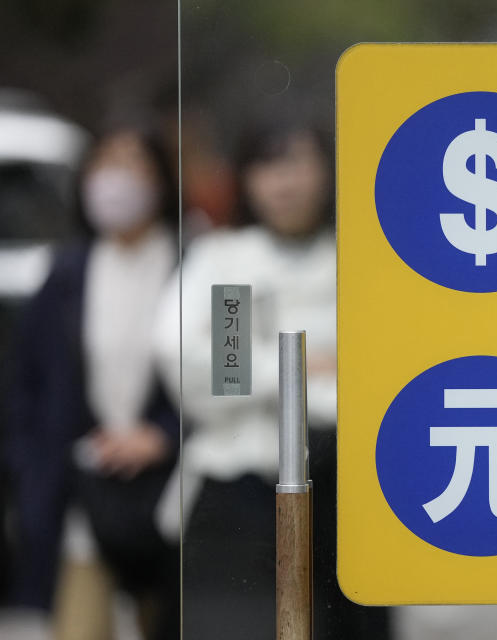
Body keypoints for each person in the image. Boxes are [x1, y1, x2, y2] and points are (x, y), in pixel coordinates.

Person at [154, 114, 390, 640]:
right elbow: (204, 363)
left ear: (327, 170)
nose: (284, 183)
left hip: (350, 484)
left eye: (297, 164)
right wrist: (301, 367)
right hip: (246, 485)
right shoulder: (230, 260)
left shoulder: (361, 254)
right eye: (267, 166)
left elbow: (385, 364)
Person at [4, 122, 180, 640]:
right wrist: (31, 469)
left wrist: (166, 436)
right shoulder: (66, 271)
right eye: (105, 164)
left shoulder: (205, 265)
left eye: (133, 164)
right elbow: (26, 384)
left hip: (172, 497)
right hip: (85, 493)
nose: (116, 180)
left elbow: (227, 376)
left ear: (162, 180)